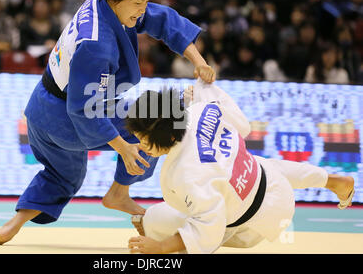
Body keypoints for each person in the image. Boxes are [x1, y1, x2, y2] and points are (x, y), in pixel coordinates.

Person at [0, 0, 215, 245]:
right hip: (66, 119)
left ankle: (11, 226)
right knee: (153, 120)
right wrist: (123, 147)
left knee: (64, 173)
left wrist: (197, 60)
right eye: (138, 3)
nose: (142, 10)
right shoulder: (97, 44)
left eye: (144, 1)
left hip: (38, 110)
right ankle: (119, 193)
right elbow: (85, 110)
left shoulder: (106, 3)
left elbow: (162, 20)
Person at [126, 80, 355, 254]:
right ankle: (330, 180)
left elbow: (210, 230)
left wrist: (161, 246)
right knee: (253, 166)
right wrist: (201, 82)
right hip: (270, 180)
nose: (142, 146)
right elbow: (242, 125)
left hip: (258, 223)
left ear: (169, 137)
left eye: (145, 141)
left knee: (155, 220)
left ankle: (158, 231)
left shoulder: (186, 174)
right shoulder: (201, 110)